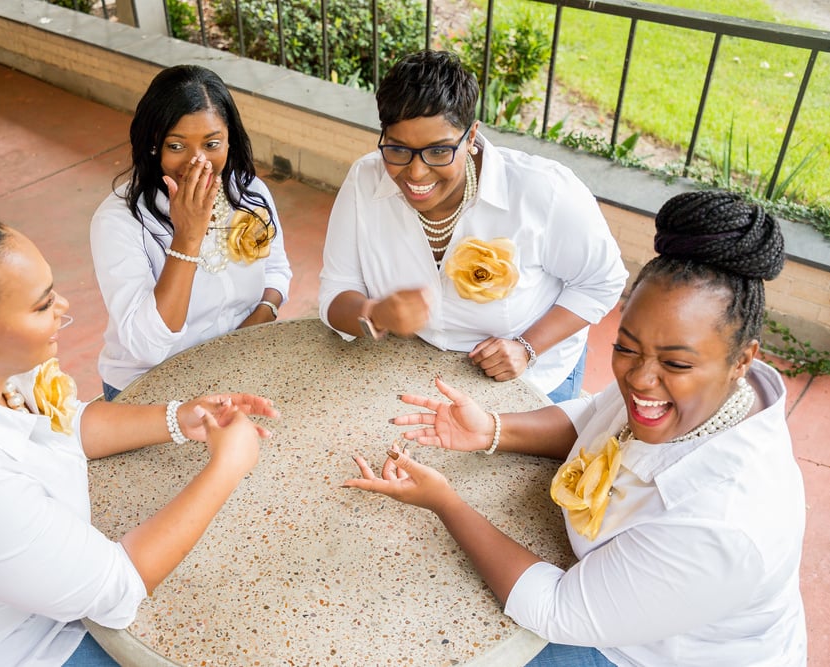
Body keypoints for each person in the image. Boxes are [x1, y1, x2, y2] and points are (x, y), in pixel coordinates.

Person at [344, 191, 806, 666]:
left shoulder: (721, 526)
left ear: (743, 361)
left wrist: (445, 502)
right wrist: (490, 431)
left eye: (675, 362)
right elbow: (597, 416)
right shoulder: (694, 396)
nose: (640, 380)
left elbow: (556, 609)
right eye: (626, 348)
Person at [0, 213, 278, 666]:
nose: (63, 305)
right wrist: (227, 468)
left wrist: (180, 419)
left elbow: (61, 424)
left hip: (28, 600)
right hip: (7, 648)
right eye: (43, 305)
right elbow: (117, 588)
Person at [318, 50, 627, 402]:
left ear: (471, 135)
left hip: (530, 377)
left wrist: (527, 348)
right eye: (398, 150)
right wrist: (373, 313)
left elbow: (602, 281)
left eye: (438, 152)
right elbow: (336, 290)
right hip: (418, 372)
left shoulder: (543, 190)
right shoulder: (364, 179)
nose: (416, 173)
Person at [91, 65, 292, 400]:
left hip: (235, 368)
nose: (198, 162)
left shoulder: (249, 192)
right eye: (176, 146)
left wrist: (260, 317)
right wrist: (187, 237)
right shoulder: (118, 222)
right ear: (154, 144)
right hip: (151, 389)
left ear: (230, 140)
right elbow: (147, 346)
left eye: (212, 143)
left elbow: (277, 270)